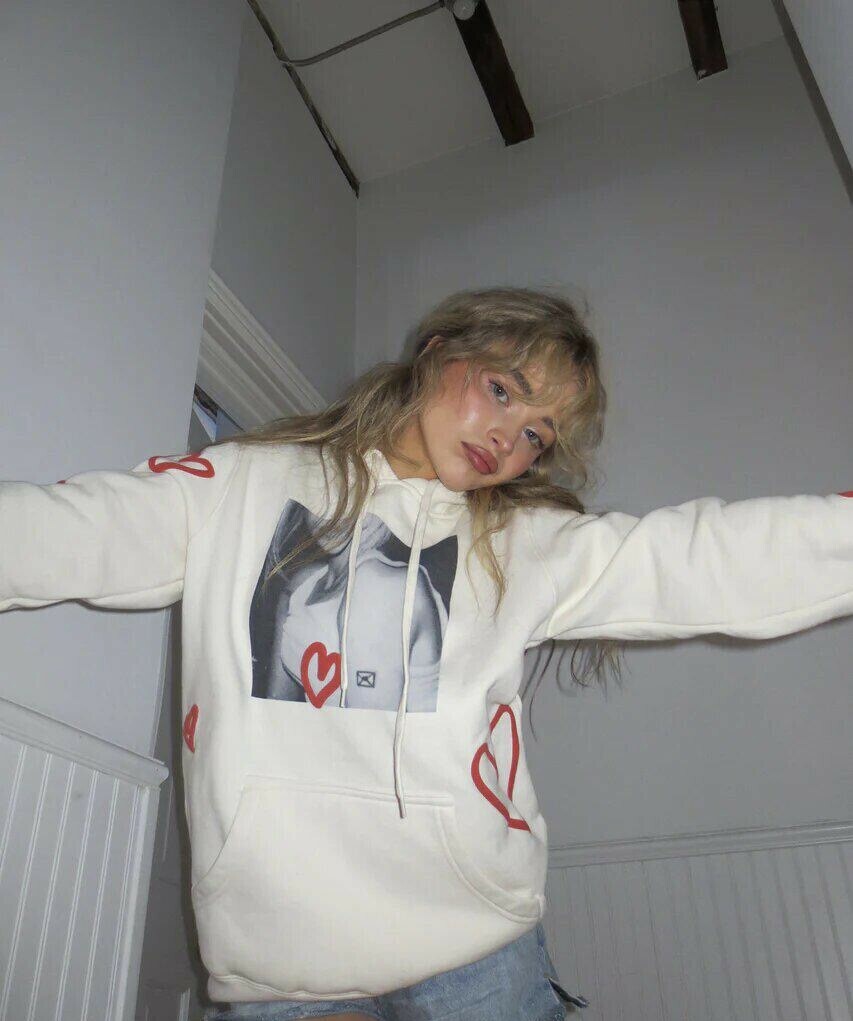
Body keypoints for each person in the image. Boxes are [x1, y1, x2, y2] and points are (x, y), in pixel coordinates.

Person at [1, 286, 850, 1021]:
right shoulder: (240, 485)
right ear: (437, 351)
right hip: (282, 955)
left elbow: (693, 557)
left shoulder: (523, 541)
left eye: (537, 434)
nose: (508, 439)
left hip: (476, 945)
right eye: (501, 390)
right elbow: (72, 530)